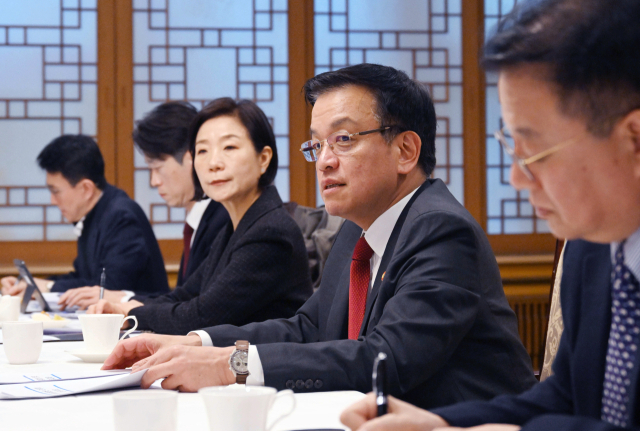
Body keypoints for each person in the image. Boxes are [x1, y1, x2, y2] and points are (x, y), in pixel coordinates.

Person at [101, 63, 536, 406]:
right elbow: (308, 327)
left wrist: (229, 365)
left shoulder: (441, 229)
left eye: (343, 139)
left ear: (405, 150)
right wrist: (196, 342)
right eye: (317, 145)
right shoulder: (356, 231)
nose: (324, 160)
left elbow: (384, 357)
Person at [340, 0, 640, 430]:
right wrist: (441, 424)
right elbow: (567, 396)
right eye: (512, 146)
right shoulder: (592, 246)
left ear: (634, 140)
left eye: (536, 151)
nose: (517, 177)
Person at [87, 98, 313, 335]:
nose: (213, 163)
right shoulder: (235, 227)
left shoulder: (270, 231)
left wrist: (134, 314)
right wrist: (123, 309)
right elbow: (185, 295)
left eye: (229, 147)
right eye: (203, 151)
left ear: (263, 159)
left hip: (263, 358)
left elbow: (202, 316)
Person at [57, 102, 229, 310]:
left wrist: (123, 299)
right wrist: (123, 298)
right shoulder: (200, 219)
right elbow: (183, 299)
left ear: (190, 158)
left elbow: (197, 307)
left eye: (157, 168)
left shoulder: (223, 220)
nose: (154, 181)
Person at [0, 135, 169, 301]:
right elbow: (84, 277)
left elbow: (108, 288)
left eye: (56, 191)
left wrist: (49, 287)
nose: (52, 200)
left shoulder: (121, 217)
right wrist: (34, 284)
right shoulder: (95, 214)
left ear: (86, 189)